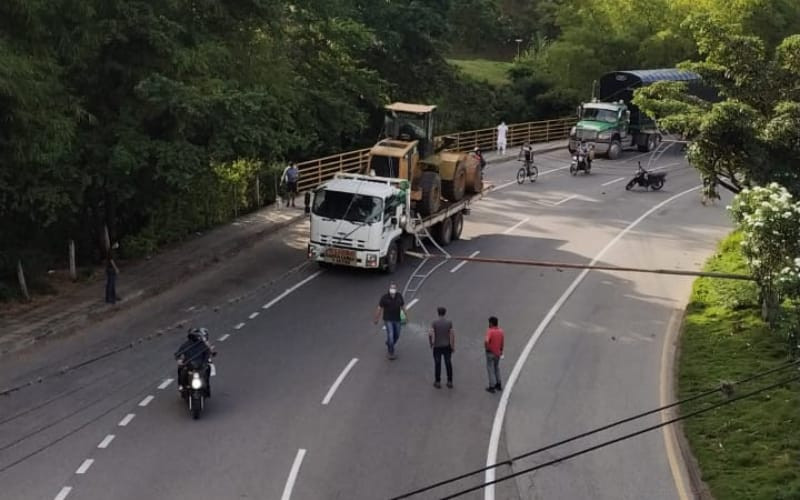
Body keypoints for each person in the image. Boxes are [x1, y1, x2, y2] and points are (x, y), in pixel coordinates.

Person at [174, 327, 216, 396]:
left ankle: (207, 387)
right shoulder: (186, 345)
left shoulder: (202, 344)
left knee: (208, 369)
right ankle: (182, 386)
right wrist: (179, 360)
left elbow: (208, 352)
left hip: (200, 365)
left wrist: (206, 359)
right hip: (189, 365)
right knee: (181, 370)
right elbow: (178, 353)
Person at [373, 282, 407, 360]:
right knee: (391, 335)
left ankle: (389, 343)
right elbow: (379, 308)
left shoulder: (399, 296)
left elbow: (402, 306)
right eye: (391, 288)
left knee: (397, 335)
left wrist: (405, 316)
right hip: (388, 319)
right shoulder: (384, 298)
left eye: (394, 288)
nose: (393, 289)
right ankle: (391, 352)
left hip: (397, 319)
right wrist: (376, 318)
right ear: (389, 289)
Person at [429, 307, 455, 389]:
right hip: (447, 346)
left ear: (438, 313)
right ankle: (450, 381)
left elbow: (431, 334)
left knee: (437, 364)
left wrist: (431, 343)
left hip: (437, 346)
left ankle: (437, 381)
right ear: (445, 313)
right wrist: (452, 346)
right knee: (448, 363)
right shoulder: (449, 322)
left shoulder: (434, 323)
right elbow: (452, 335)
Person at [484, 316, 504, 393]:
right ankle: (498, 384)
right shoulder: (501, 331)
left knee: (490, 369)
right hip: (498, 353)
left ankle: (491, 386)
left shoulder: (490, 331)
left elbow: (486, 341)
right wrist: (501, 350)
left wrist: (487, 348)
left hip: (490, 353)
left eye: (489, 322)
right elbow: (502, 342)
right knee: (496, 368)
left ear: (491, 323)